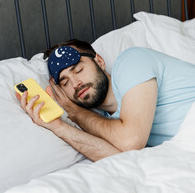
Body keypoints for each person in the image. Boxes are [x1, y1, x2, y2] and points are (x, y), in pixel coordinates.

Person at [16, 39, 195, 161]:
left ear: (100, 61)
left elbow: (130, 141)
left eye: (78, 70)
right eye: (65, 82)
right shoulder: (103, 123)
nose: (76, 83)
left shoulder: (131, 61)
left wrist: (74, 112)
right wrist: (59, 127)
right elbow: (122, 159)